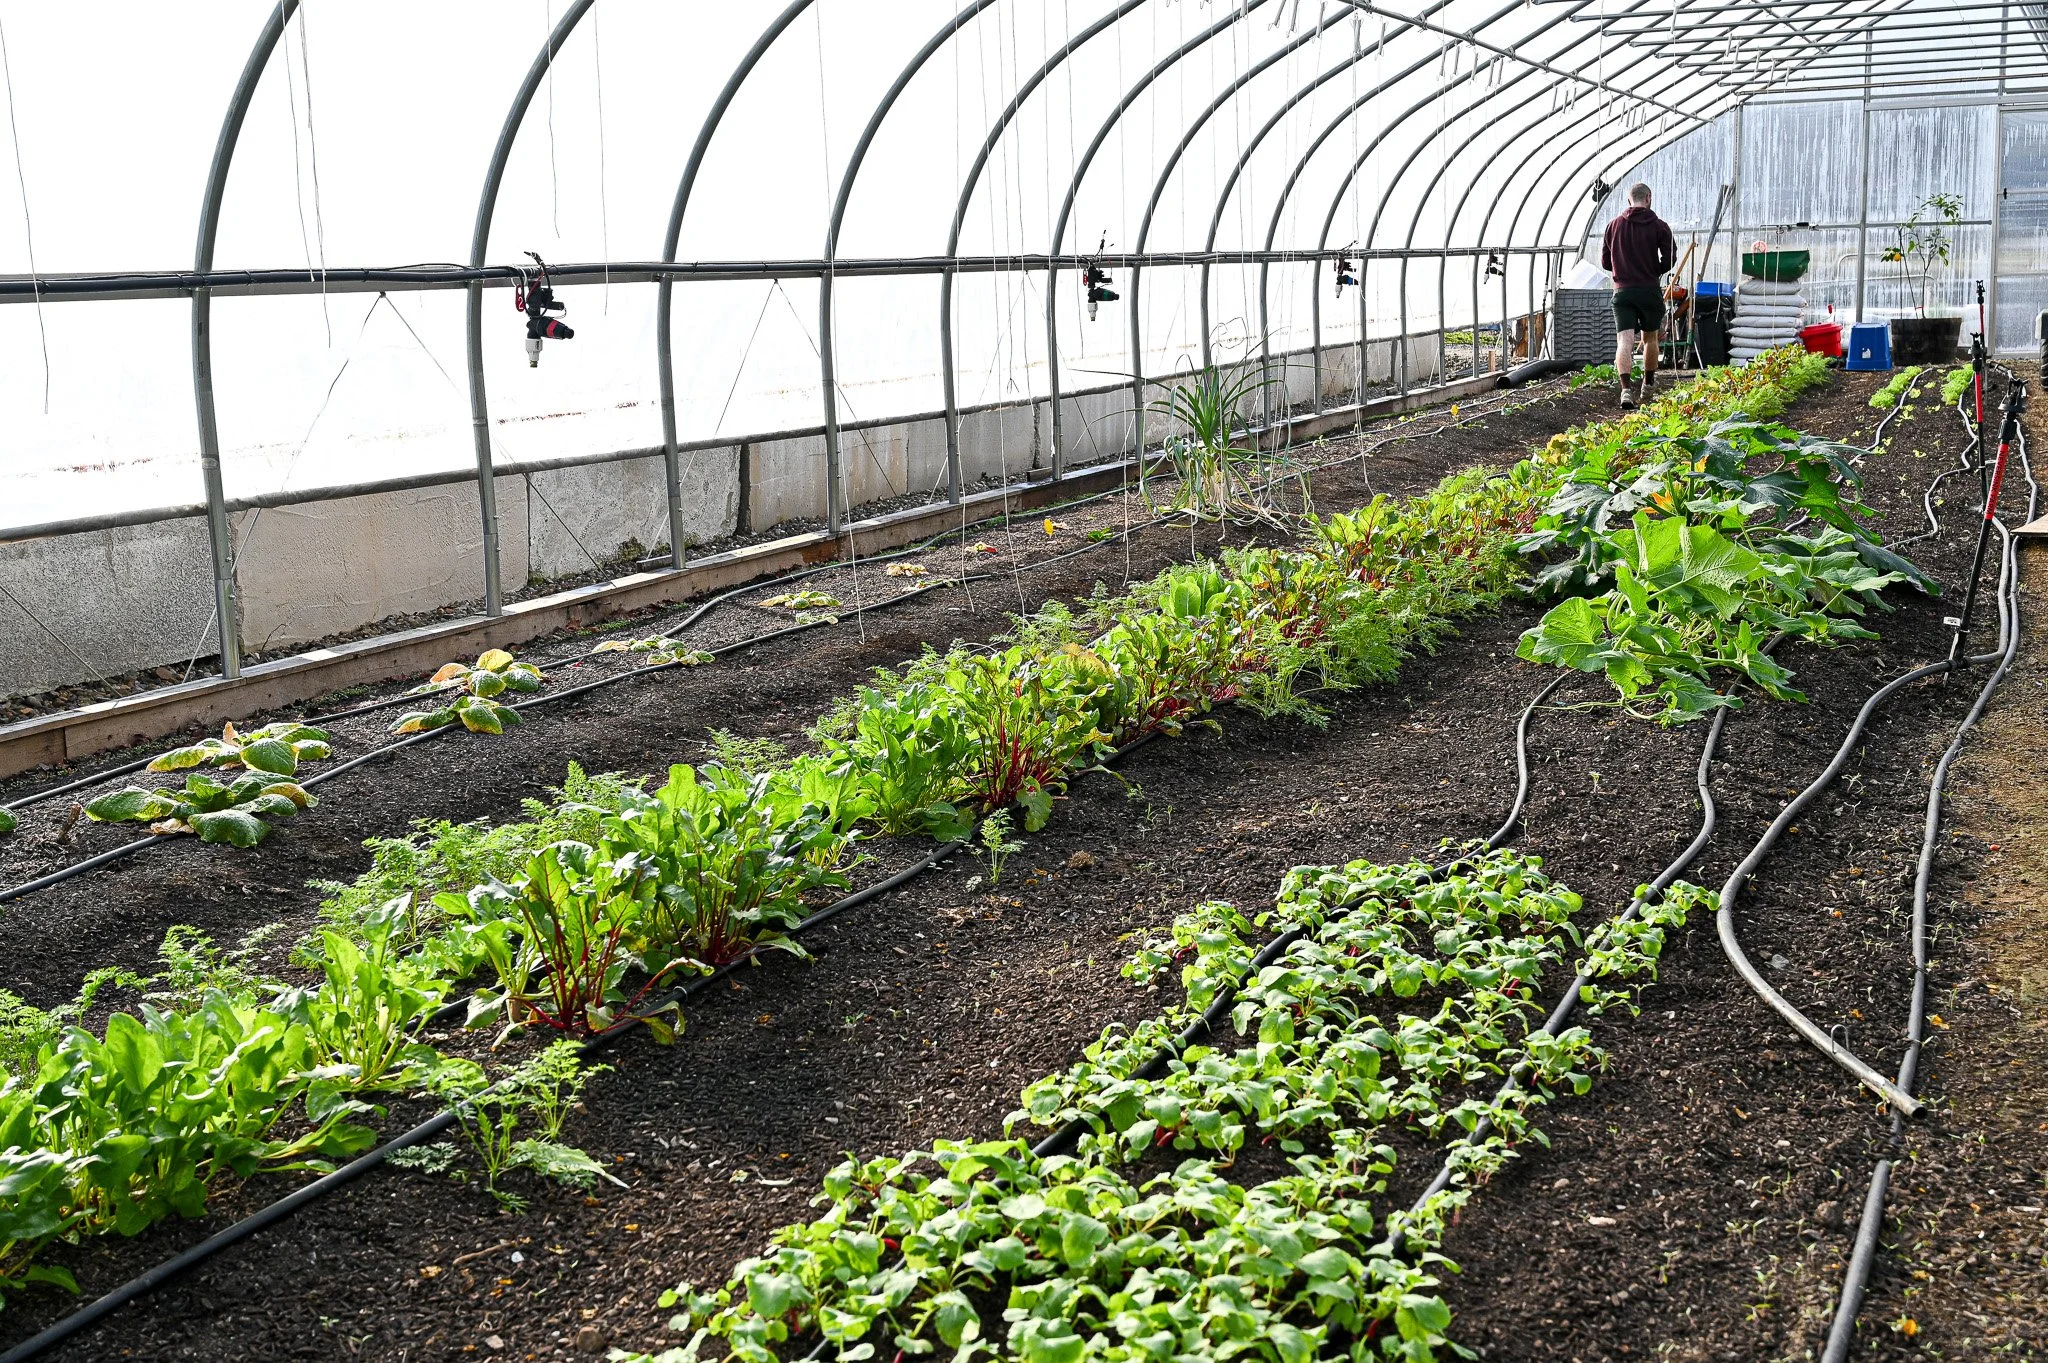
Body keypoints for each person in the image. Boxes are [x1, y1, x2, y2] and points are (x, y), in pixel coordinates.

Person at [1601, 182, 1676, 409]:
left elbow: (1606, 261)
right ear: (1649, 198)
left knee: (1624, 340)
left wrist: (1623, 270)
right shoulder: (1659, 226)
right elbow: (1670, 257)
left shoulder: (1613, 226)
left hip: (1622, 292)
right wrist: (1654, 270)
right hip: (1649, 290)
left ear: (1628, 200)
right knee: (1650, 338)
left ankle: (1625, 390)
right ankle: (1648, 386)